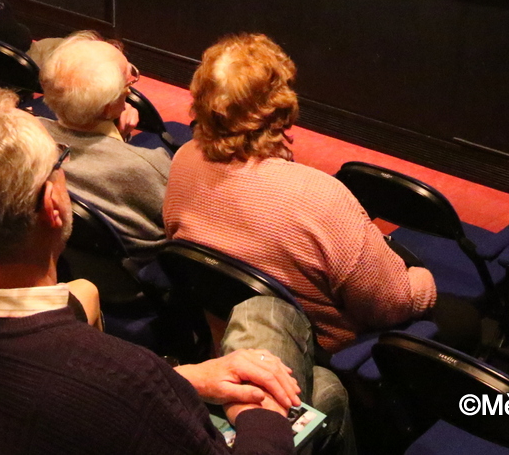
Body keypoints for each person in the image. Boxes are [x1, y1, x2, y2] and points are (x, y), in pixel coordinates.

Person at [0, 90, 306, 454]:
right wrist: (263, 415)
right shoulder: (124, 381)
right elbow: (105, 394)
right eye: (59, 159)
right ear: (52, 205)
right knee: (309, 370)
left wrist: (183, 378)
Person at [164, 33, 479, 357]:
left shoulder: (184, 159)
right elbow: (392, 306)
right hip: (325, 354)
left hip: (228, 332)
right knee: (463, 319)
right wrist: (423, 281)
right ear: (278, 108)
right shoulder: (318, 196)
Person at [38, 35, 172, 258]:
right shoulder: (147, 165)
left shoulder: (26, 136)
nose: (131, 87)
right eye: (129, 82)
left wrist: (116, 136)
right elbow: (175, 223)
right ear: (110, 106)